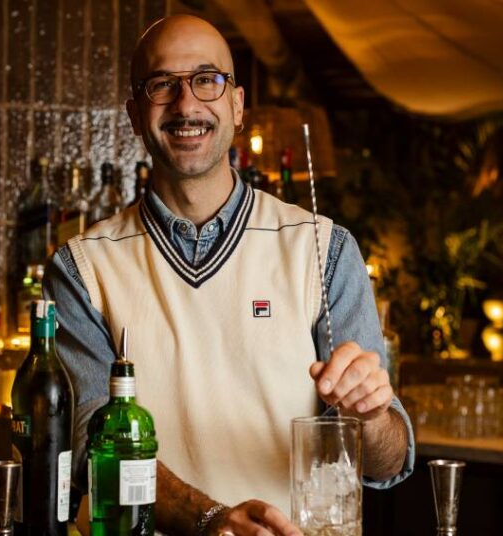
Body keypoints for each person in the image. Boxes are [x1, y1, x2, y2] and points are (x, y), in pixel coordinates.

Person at [44, 14, 414, 536]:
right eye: (162, 85)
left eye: (206, 79)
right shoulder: (81, 268)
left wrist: (371, 416)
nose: (186, 104)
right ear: (134, 115)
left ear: (237, 105)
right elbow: (90, 449)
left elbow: (385, 463)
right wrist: (211, 520)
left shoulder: (324, 249)